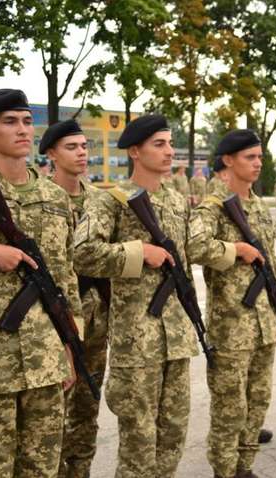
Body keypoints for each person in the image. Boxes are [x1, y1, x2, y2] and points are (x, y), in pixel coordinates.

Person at [73, 114, 199, 477]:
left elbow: (184, 263)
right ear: (134, 152)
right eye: (159, 144)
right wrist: (138, 252)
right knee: (139, 447)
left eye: (170, 143)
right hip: (137, 343)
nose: (169, 151)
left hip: (176, 339)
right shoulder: (111, 201)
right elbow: (82, 253)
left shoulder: (177, 201)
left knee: (172, 437)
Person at [0, 88, 82, 477]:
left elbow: (66, 277)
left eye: (26, 121)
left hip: (46, 358)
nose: (23, 129)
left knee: (43, 468)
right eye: (10, 122)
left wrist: (71, 347)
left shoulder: (55, 197)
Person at [188, 130, 276, 478]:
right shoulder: (212, 207)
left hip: (262, 325)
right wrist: (235, 250)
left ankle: (245, 467)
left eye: (260, 157)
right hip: (231, 328)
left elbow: (271, 264)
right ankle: (225, 472)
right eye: (250, 157)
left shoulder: (257, 205)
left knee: (258, 401)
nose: (258, 163)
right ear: (228, 160)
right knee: (230, 409)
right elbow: (194, 246)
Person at [40, 119, 112, 478]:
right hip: (55, 322)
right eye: (72, 147)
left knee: (87, 405)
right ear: (52, 154)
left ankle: (80, 471)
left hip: (97, 319)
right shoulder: (41, 199)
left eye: (84, 146)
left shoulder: (100, 199)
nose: (82, 153)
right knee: (51, 413)